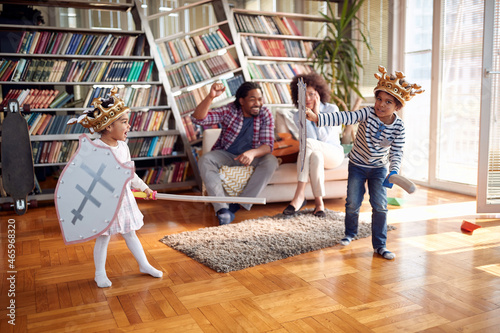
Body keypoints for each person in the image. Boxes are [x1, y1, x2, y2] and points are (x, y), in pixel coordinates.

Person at [305, 66, 423, 260]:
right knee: (352, 203)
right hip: (358, 165)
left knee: (380, 206)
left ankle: (380, 245)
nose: (381, 105)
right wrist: (319, 118)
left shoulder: (399, 127)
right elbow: (344, 116)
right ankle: (350, 233)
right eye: (379, 99)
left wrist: (393, 171)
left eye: (388, 102)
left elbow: (397, 152)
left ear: (397, 107)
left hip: (378, 169)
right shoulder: (367, 113)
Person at [68, 87, 163, 287]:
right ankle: (99, 273)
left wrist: (144, 188)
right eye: (124, 122)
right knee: (103, 238)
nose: (129, 126)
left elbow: (130, 173)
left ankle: (144, 264)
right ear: (109, 126)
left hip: (124, 199)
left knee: (130, 233)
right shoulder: (95, 148)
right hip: (103, 202)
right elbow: (83, 176)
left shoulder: (123, 147)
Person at [192, 81, 279, 225]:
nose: (257, 103)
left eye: (259, 99)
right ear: (242, 101)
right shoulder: (230, 110)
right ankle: (222, 210)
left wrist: (252, 153)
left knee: (271, 161)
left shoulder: (265, 113)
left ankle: (238, 204)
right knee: (205, 159)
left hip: (253, 157)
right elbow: (199, 119)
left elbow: (268, 146)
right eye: (252, 99)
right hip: (227, 154)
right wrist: (210, 97)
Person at [282, 73, 345, 217]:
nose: (307, 99)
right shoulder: (298, 115)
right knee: (315, 156)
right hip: (315, 152)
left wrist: (317, 115)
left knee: (309, 144)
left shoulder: (331, 110)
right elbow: (310, 146)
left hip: (333, 154)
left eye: (311, 94)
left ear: (319, 93)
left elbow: (324, 138)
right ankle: (319, 204)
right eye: (303, 95)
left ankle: (299, 195)